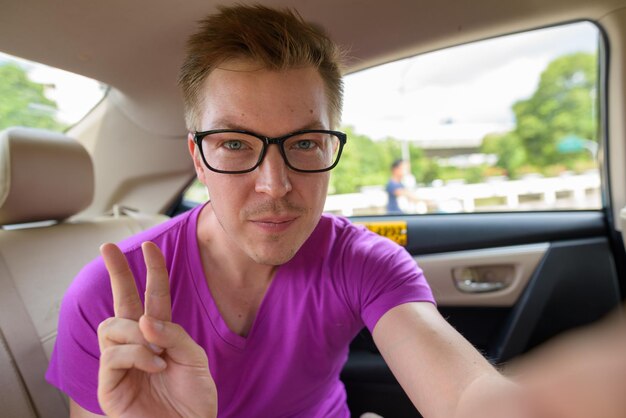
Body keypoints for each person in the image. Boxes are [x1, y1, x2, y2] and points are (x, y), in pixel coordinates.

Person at [46, 4, 533, 418]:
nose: (275, 185)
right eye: (235, 143)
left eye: (304, 142)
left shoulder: (365, 262)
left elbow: (468, 395)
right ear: (198, 157)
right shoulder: (111, 299)